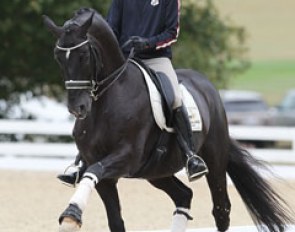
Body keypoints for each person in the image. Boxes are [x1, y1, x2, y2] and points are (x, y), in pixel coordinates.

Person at [58, 0, 208, 185]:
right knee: (97, 95)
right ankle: (82, 162)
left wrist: (148, 43)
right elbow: (112, 29)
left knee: (174, 98)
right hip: (123, 60)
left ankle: (190, 155)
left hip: (156, 59)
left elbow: (172, 33)